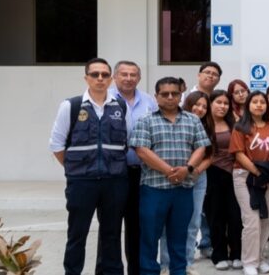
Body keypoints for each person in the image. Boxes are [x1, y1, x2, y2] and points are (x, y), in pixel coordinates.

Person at [50, 58, 130, 275]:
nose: (100, 78)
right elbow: (57, 145)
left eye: (105, 74)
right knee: (77, 234)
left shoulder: (120, 106)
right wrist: (75, 170)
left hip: (114, 182)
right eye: (95, 74)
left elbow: (127, 140)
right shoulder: (72, 106)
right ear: (86, 78)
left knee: (112, 235)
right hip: (82, 183)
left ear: (111, 78)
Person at [131, 77, 211, 275]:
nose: (169, 97)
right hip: (154, 189)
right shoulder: (146, 120)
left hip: (183, 189)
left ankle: (178, 271)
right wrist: (168, 171)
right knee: (149, 237)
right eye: (164, 94)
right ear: (156, 96)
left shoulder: (192, 120)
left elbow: (201, 146)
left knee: (179, 236)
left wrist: (188, 168)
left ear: (180, 95)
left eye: (174, 93)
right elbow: (141, 150)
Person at [111, 60, 158, 275]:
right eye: (124, 74)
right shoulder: (106, 99)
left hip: (141, 174)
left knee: (137, 227)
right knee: (110, 228)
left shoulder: (149, 102)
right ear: (115, 76)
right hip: (113, 175)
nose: (129, 78)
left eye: (133, 75)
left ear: (139, 77)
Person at [229, 91, 269, 275]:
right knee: (251, 221)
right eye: (255, 102)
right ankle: (249, 262)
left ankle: (260, 258)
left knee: (266, 219)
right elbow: (238, 153)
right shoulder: (240, 127)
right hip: (245, 176)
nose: (259, 105)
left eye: (262, 102)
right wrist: (258, 172)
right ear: (248, 105)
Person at [202, 90, 243, 269]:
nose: (222, 106)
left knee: (235, 216)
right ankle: (219, 255)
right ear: (210, 104)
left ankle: (236, 253)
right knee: (215, 216)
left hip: (233, 173)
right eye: (218, 102)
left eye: (226, 103)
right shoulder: (202, 124)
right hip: (211, 173)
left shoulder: (234, 124)